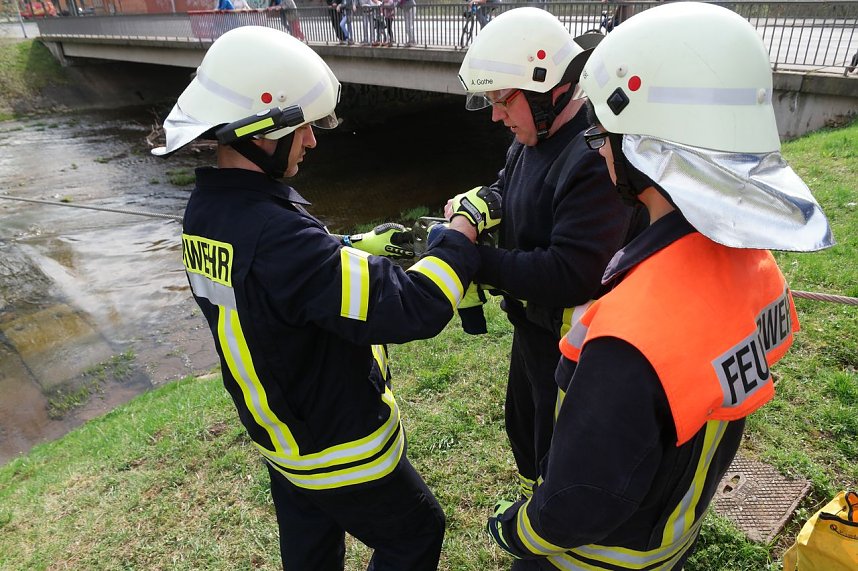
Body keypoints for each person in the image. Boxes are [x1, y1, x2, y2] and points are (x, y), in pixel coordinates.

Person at [485, 3, 835, 569]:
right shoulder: (758, 266)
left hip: (600, 555)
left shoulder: (630, 333)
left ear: (645, 145)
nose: (597, 147)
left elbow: (576, 500)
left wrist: (520, 531)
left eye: (604, 133)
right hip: (673, 524)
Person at [152, 26, 503, 571]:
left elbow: (275, 284)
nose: (313, 141)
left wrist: (343, 250)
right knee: (415, 534)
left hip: (282, 436)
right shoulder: (276, 235)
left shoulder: (208, 210)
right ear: (261, 133)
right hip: (338, 445)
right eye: (304, 128)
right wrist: (460, 231)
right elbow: (413, 306)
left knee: (312, 553)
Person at [455, 7, 643, 501]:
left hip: (571, 341)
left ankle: (548, 525)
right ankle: (529, 497)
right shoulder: (531, 134)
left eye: (502, 99)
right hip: (531, 322)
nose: (496, 116)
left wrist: (471, 258)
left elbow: (573, 274)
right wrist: (479, 206)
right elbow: (508, 186)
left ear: (548, 88)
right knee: (522, 424)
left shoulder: (591, 156)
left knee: (557, 444)